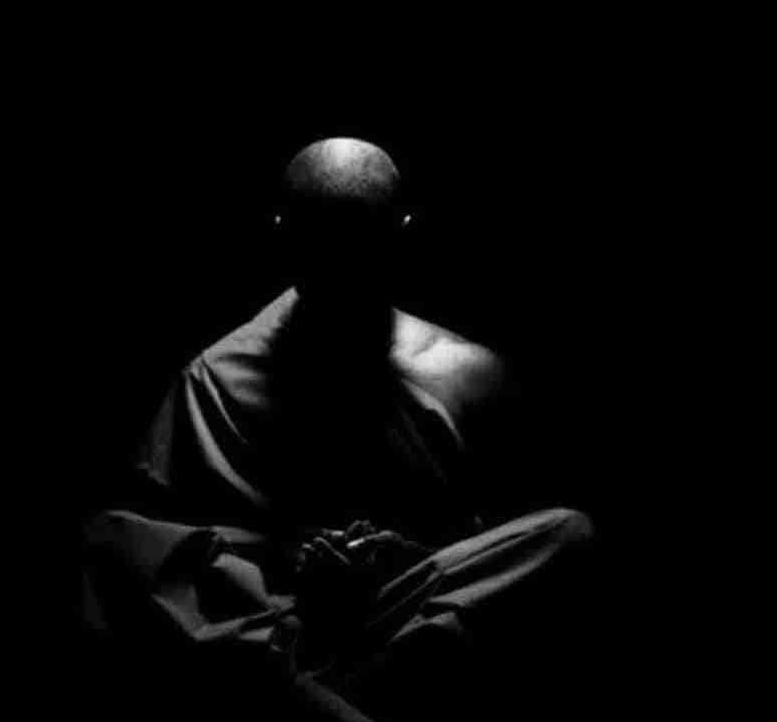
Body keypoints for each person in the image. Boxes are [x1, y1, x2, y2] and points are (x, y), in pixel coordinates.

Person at [81, 138, 598, 720]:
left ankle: (328, 697)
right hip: (281, 622)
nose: (341, 278)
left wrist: (403, 558)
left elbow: (491, 548)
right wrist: (295, 574)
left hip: (403, 615)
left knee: (568, 534)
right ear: (285, 237)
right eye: (323, 255)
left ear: (400, 237)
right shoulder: (215, 378)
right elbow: (176, 551)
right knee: (113, 542)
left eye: (359, 256)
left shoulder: (468, 374)